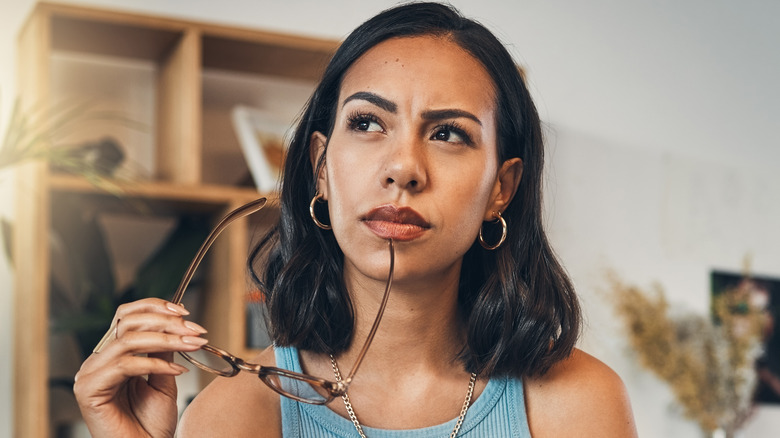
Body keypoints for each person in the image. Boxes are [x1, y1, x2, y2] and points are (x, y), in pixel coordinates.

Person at [74, 3, 637, 437]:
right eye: (368, 123)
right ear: (321, 166)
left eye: (448, 133)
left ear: (501, 189)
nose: (403, 168)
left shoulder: (579, 404)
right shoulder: (236, 413)